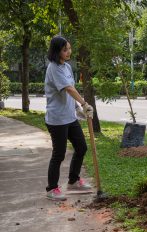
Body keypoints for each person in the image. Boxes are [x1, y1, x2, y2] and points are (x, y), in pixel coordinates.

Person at [44, 36, 93, 201]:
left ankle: (73, 180)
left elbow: (70, 93)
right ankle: (52, 189)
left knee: (81, 147)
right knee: (59, 154)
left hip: (69, 117)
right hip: (57, 119)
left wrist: (78, 109)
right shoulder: (53, 68)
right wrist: (85, 103)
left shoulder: (67, 67)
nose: (68, 52)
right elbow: (69, 89)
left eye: (69, 48)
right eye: (65, 49)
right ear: (57, 51)